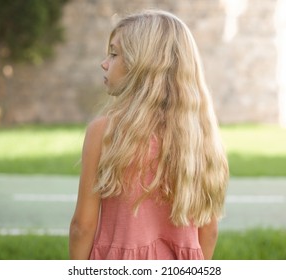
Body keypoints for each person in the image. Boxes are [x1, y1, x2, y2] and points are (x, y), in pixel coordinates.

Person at [69, 9, 229, 260]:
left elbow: (82, 226)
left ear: (141, 65)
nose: (104, 62)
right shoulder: (200, 136)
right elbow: (209, 232)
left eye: (114, 53)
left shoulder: (104, 131)